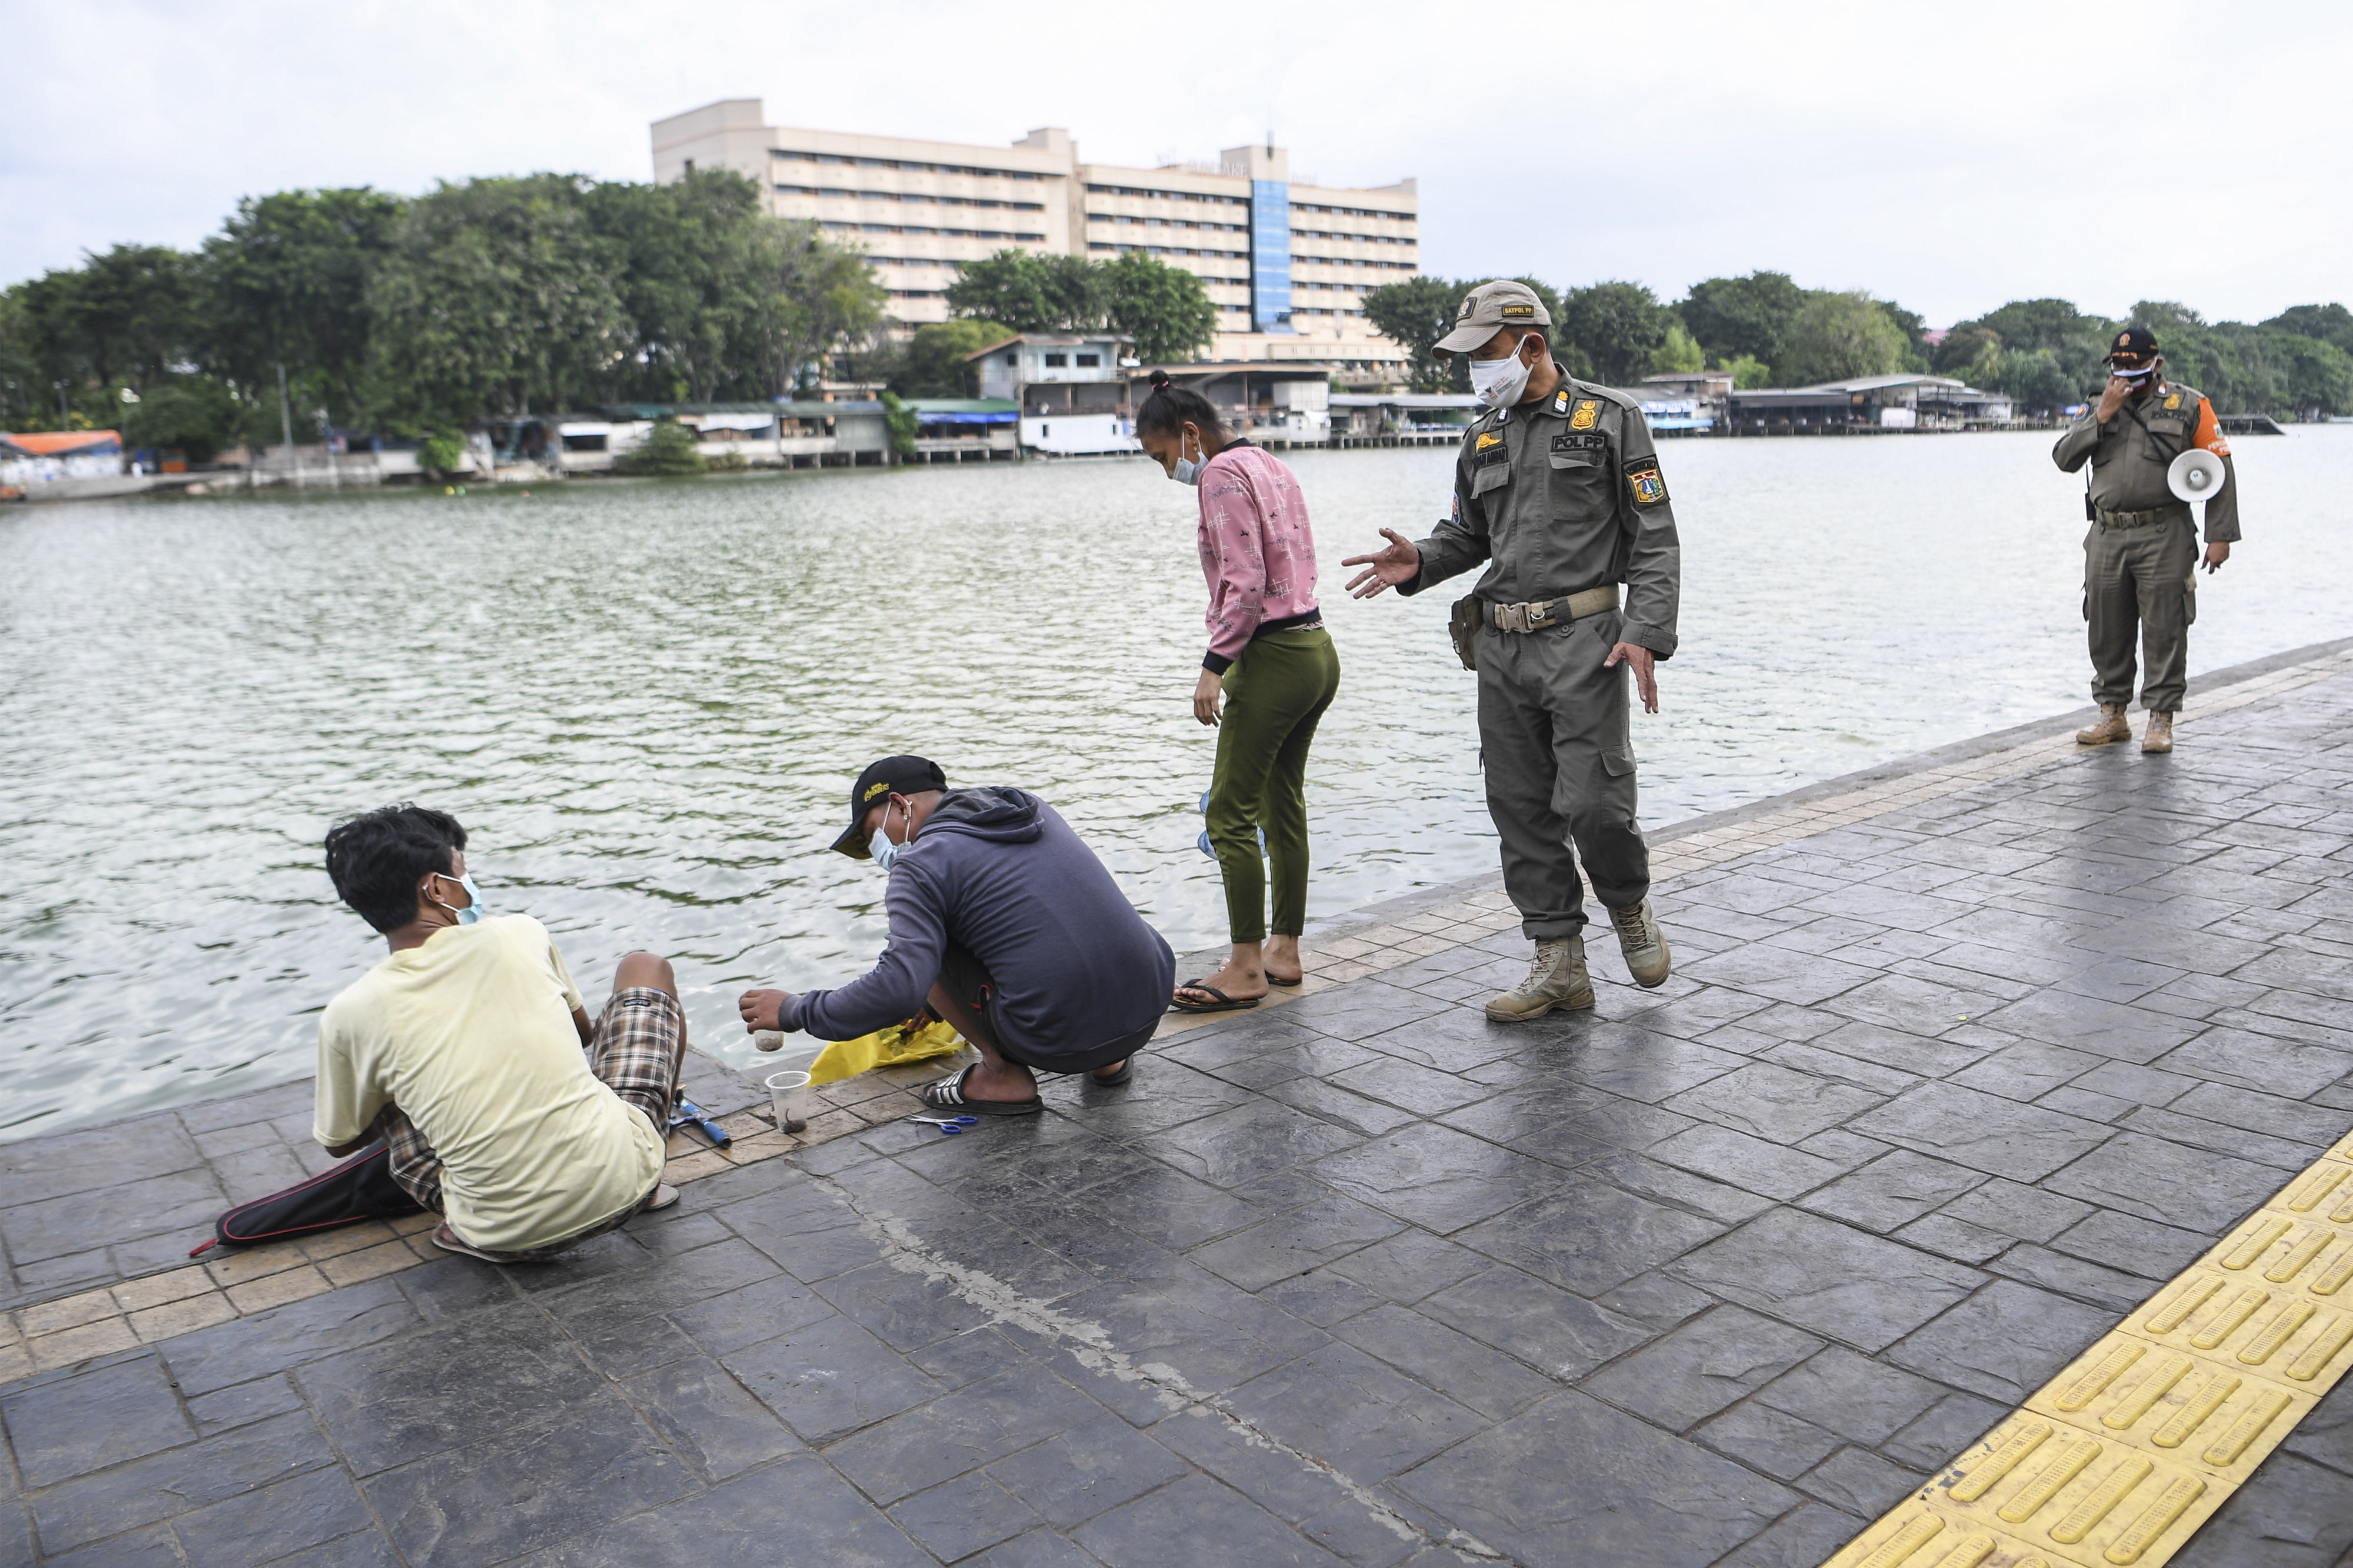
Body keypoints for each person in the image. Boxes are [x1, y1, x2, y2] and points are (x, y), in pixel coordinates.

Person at [1341, 280, 1681, 1021]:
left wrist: (1643, 632)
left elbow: (1654, 537)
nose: (1476, 371)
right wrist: (1421, 560)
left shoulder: (1609, 420)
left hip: (1584, 642)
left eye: (1485, 353)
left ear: (1530, 345)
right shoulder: (1483, 434)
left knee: (1596, 803)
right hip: (1500, 646)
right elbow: (1468, 534)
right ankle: (1559, 959)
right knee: (1520, 810)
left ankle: (1627, 902)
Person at [315, 805, 684, 1264]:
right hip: (630, 1180)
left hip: (500, 1233)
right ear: (436, 888)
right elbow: (583, 1033)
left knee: (382, 1080)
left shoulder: (349, 1013)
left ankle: (464, 1224)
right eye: (462, 872)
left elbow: (339, 1142)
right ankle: (643, 1181)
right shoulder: (519, 934)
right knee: (644, 966)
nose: (470, 884)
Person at [737, 756, 1175, 1112]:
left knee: (924, 953)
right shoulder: (1027, 807)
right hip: (1146, 1005)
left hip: (1059, 1040)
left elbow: (896, 990)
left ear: (901, 806)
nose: (879, 852)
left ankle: (1002, 1076)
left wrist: (796, 1009)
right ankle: (1110, 1061)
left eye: (874, 835)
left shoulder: (920, 864)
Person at [1135, 369, 1342, 1013]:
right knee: (1284, 804)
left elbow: (1245, 583)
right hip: (1315, 649)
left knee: (1228, 815)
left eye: (1163, 456)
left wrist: (1212, 665)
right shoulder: (1268, 463)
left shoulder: (1221, 476)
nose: (1166, 470)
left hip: (1273, 655)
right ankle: (1284, 949)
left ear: (1189, 434)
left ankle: (1246, 964)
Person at [2051, 325, 2239, 754]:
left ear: (2156, 364)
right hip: (2106, 533)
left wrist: (2220, 536)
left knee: (2165, 626)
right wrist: (2101, 417)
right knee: (2105, 626)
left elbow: (2220, 469)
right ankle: (2112, 714)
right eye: (2119, 365)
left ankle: (2161, 719)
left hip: (2164, 531)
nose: (2126, 371)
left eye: (2135, 364)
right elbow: (2064, 459)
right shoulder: (2099, 405)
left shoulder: (2190, 404)